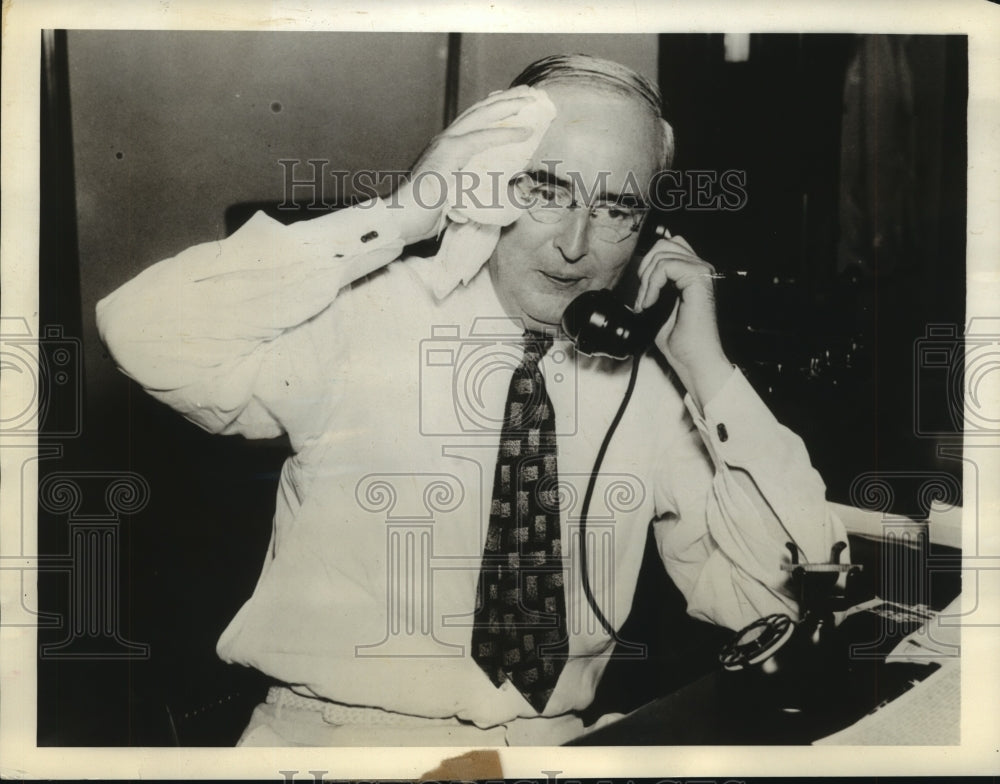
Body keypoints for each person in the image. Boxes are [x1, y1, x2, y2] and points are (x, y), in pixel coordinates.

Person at [96, 53, 847, 746]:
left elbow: (785, 591)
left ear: (649, 233)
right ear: (487, 184)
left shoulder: (647, 388)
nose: (575, 244)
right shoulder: (362, 315)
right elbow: (140, 332)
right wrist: (402, 212)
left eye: (616, 209)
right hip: (336, 740)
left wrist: (710, 373)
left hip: (553, 744)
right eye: (545, 190)